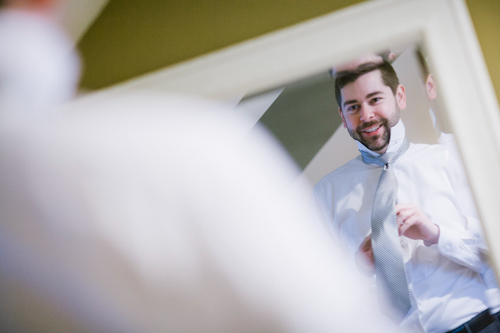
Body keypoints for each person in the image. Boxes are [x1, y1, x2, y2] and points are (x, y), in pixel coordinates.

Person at [312, 60, 499, 333]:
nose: (366, 115)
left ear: (399, 96)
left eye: (375, 99)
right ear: (342, 116)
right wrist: (358, 267)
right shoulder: (326, 195)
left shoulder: (450, 160)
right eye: (353, 107)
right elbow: (320, 291)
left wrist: (435, 234)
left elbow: (493, 253)